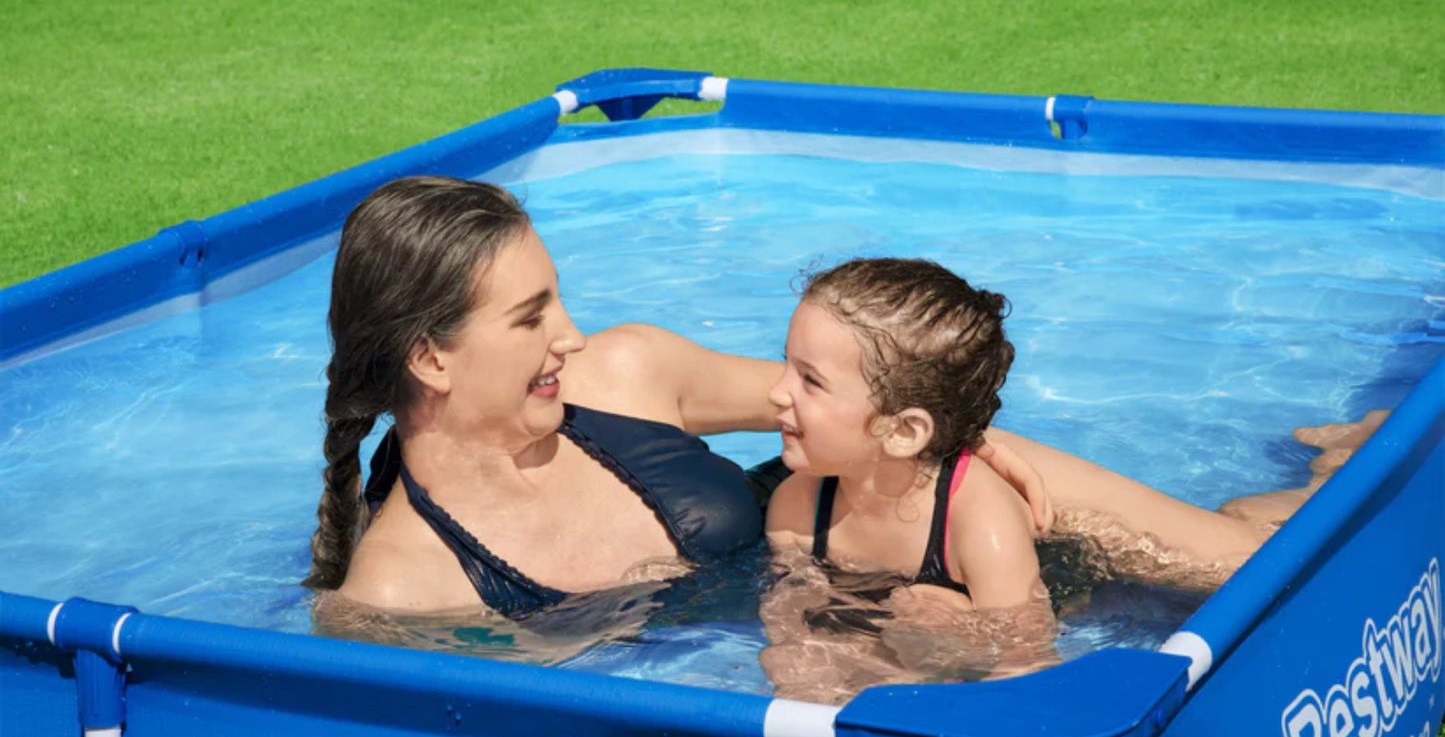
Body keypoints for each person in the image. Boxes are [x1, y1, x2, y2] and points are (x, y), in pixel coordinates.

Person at [303, 176, 1050, 636]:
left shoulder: (621, 371)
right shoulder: (400, 593)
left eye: (558, 299)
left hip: (895, 525)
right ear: (432, 358)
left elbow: (869, 404)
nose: (572, 336)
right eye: (532, 317)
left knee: (992, 475)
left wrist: (965, 434)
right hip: (832, 629)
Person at [758, 257, 1376, 700]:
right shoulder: (797, 503)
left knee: (1257, 560)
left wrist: (963, 634)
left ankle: (1346, 460)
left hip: (1080, 561)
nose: (775, 393)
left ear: (903, 431)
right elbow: (794, 622)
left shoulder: (978, 518)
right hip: (965, 582)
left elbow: (1029, 661)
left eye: (809, 380)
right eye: (787, 365)